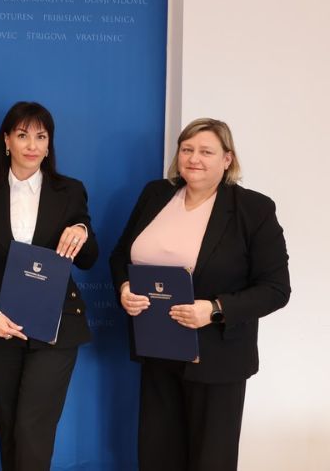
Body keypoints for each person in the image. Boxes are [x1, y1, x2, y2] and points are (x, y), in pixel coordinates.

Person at [109, 118, 290, 471]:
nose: (194, 159)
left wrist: (215, 309)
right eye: (187, 149)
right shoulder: (156, 195)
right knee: (157, 457)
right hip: (157, 352)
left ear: (227, 159)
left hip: (216, 358)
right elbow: (120, 256)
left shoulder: (254, 209)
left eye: (206, 151)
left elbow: (276, 289)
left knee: (211, 460)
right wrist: (124, 287)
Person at [0, 101, 98, 471]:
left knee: (32, 429)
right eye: (23, 135)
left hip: (56, 326)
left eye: (41, 136)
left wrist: (82, 231)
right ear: (6, 140)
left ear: (49, 144)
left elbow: (88, 259)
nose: (32, 145)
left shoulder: (70, 191)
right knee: (8, 429)